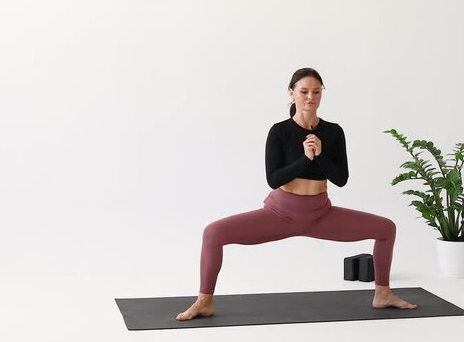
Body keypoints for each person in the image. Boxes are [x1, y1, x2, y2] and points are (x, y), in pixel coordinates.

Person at [176, 68, 416, 320]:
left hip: (321, 214)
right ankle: (204, 301)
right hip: (279, 213)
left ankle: (383, 294)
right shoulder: (279, 132)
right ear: (292, 93)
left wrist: (321, 155)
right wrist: (305, 159)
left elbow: (341, 179)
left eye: (316, 91)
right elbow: (274, 179)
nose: (310, 97)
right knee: (213, 233)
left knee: (386, 228)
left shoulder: (334, 132)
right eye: (304, 91)